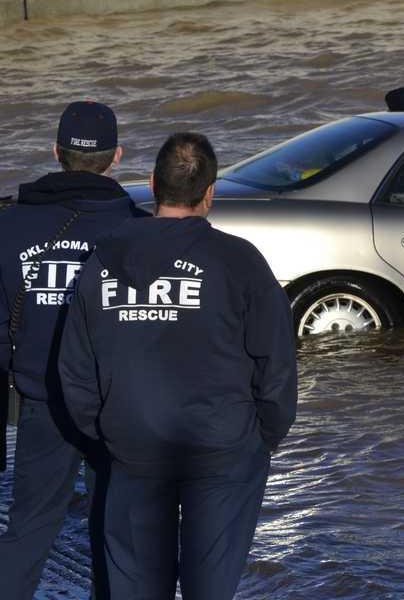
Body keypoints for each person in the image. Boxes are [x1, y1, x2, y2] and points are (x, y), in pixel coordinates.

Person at [58, 132, 297, 600]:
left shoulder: (102, 259)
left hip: (134, 447)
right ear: (210, 194)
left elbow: (75, 371)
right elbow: (277, 364)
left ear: (151, 185)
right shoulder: (239, 260)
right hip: (222, 448)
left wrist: (107, 432)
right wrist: (264, 436)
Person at [0, 101, 141, 600]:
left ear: (56, 152)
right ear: (117, 156)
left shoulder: (9, 228)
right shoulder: (138, 230)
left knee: (28, 532)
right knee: (120, 537)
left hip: (45, 404)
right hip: (119, 406)